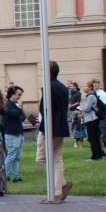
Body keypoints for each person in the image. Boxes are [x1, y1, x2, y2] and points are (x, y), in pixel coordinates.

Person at [37, 61, 73, 202]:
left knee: (43, 158)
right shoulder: (63, 87)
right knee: (56, 158)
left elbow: (43, 108)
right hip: (60, 125)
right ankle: (61, 185)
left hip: (50, 126)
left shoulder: (48, 87)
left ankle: (57, 189)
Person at [3, 85, 26, 182]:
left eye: (20, 95)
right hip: (11, 133)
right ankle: (5, 175)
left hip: (18, 133)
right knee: (11, 156)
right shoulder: (8, 105)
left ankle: (16, 176)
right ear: (12, 94)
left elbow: (23, 117)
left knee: (17, 157)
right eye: (18, 95)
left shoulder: (15, 104)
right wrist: (20, 109)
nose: (19, 97)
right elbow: (16, 114)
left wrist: (20, 110)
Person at [81, 81, 103, 160]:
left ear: (90, 87)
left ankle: (95, 155)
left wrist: (82, 107)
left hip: (91, 119)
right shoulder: (90, 96)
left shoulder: (90, 96)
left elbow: (87, 109)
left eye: (85, 86)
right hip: (92, 119)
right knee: (95, 137)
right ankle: (98, 154)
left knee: (92, 138)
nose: (84, 88)